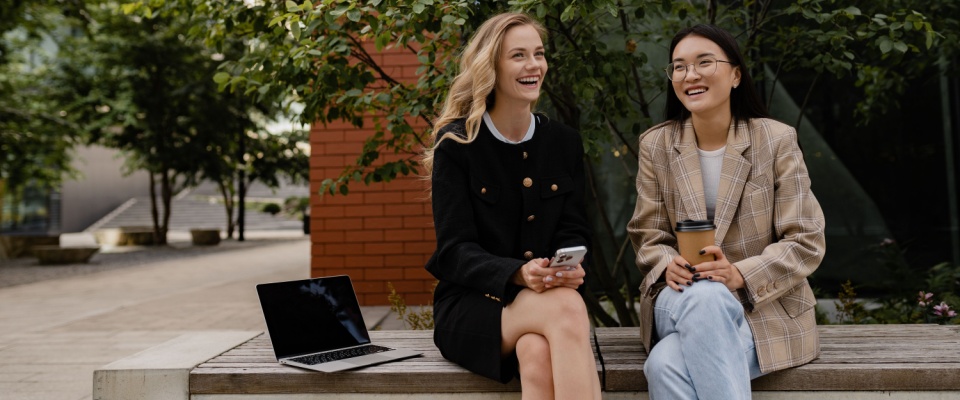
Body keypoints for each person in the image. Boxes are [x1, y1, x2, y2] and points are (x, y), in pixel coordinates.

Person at [627, 24, 826, 399]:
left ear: (736, 75)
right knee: (706, 297)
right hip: (680, 297)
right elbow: (648, 235)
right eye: (680, 66)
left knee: (664, 365)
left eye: (705, 62)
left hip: (763, 311)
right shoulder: (657, 145)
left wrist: (738, 275)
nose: (691, 75)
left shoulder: (775, 139)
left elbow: (806, 239)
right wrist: (665, 262)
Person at [422, 12, 602, 400]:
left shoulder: (563, 142)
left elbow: (574, 228)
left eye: (538, 53)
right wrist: (517, 273)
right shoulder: (457, 145)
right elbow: (454, 251)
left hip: (544, 299)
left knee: (536, 354)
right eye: (518, 55)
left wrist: (565, 267)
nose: (533, 65)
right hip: (473, 308)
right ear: (492, 66)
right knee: (568, 309)